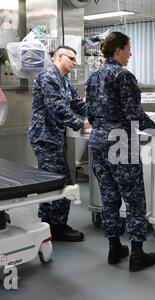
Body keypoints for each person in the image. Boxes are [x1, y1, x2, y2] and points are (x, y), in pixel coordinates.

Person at [86, 32, 155, 272]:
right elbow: (135, 114)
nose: (131, 53)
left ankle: (114, 248)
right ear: (119, 50)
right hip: (120, 143)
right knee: (134, 199)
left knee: (109, 197)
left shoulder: (93, 77)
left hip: (98, 141)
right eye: (129, 48)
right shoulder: (123, 76)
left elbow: (89, 113)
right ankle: (137, 254)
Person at [28, 45, 90, 242]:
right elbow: (57, 108)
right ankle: (58, 226)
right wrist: (80, 123)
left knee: (49, 181)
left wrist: (96, 112)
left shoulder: (62, 79)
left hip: (52, 136)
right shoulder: (48, 77)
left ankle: (46, 223)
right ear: (60, 57)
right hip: (45, 137)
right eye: (71, 58)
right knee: (62, 181)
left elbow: (76, 102)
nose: (75, 63)